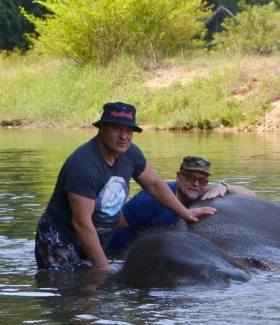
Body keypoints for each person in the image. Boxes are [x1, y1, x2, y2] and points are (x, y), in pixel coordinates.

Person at [35, 102, 216, 272]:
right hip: (60, 239)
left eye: (129, 130)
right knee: (72, 295)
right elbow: (81, 223)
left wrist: (185, 213)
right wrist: (104, 269)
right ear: (102, 129)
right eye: (117, 129)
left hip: (95, 239)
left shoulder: (130, 154)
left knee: (96, 294)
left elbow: (153, 184)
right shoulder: (85, 165)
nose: (124, 136)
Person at [106, 155, 256, 251]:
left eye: (202, 180)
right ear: (179, 176)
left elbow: (252, 196)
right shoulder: (150, 200)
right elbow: (109, 225)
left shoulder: (203, 196)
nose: (196, 184)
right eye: (191, 178)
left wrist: (225, 186)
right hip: (117, 252)